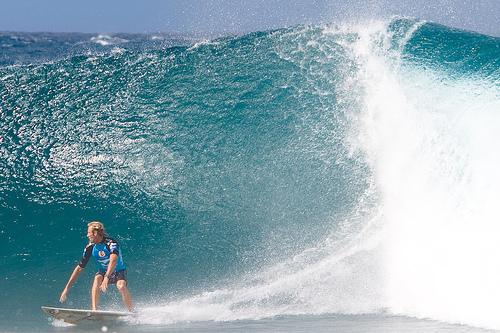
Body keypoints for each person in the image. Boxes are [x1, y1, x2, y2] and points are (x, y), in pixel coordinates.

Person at [59, 221, 133, 311]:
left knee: (121, 286)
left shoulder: (111, 243)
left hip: (119, 270)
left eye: (89, 233)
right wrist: (67, 288)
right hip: (103, 272)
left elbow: (113, 260)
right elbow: (79, 268)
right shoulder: (90, 247)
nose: (87, 235)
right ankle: (94, 310)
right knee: (97, 278)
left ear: (95, 233)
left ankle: (131, 311)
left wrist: (106, 277)